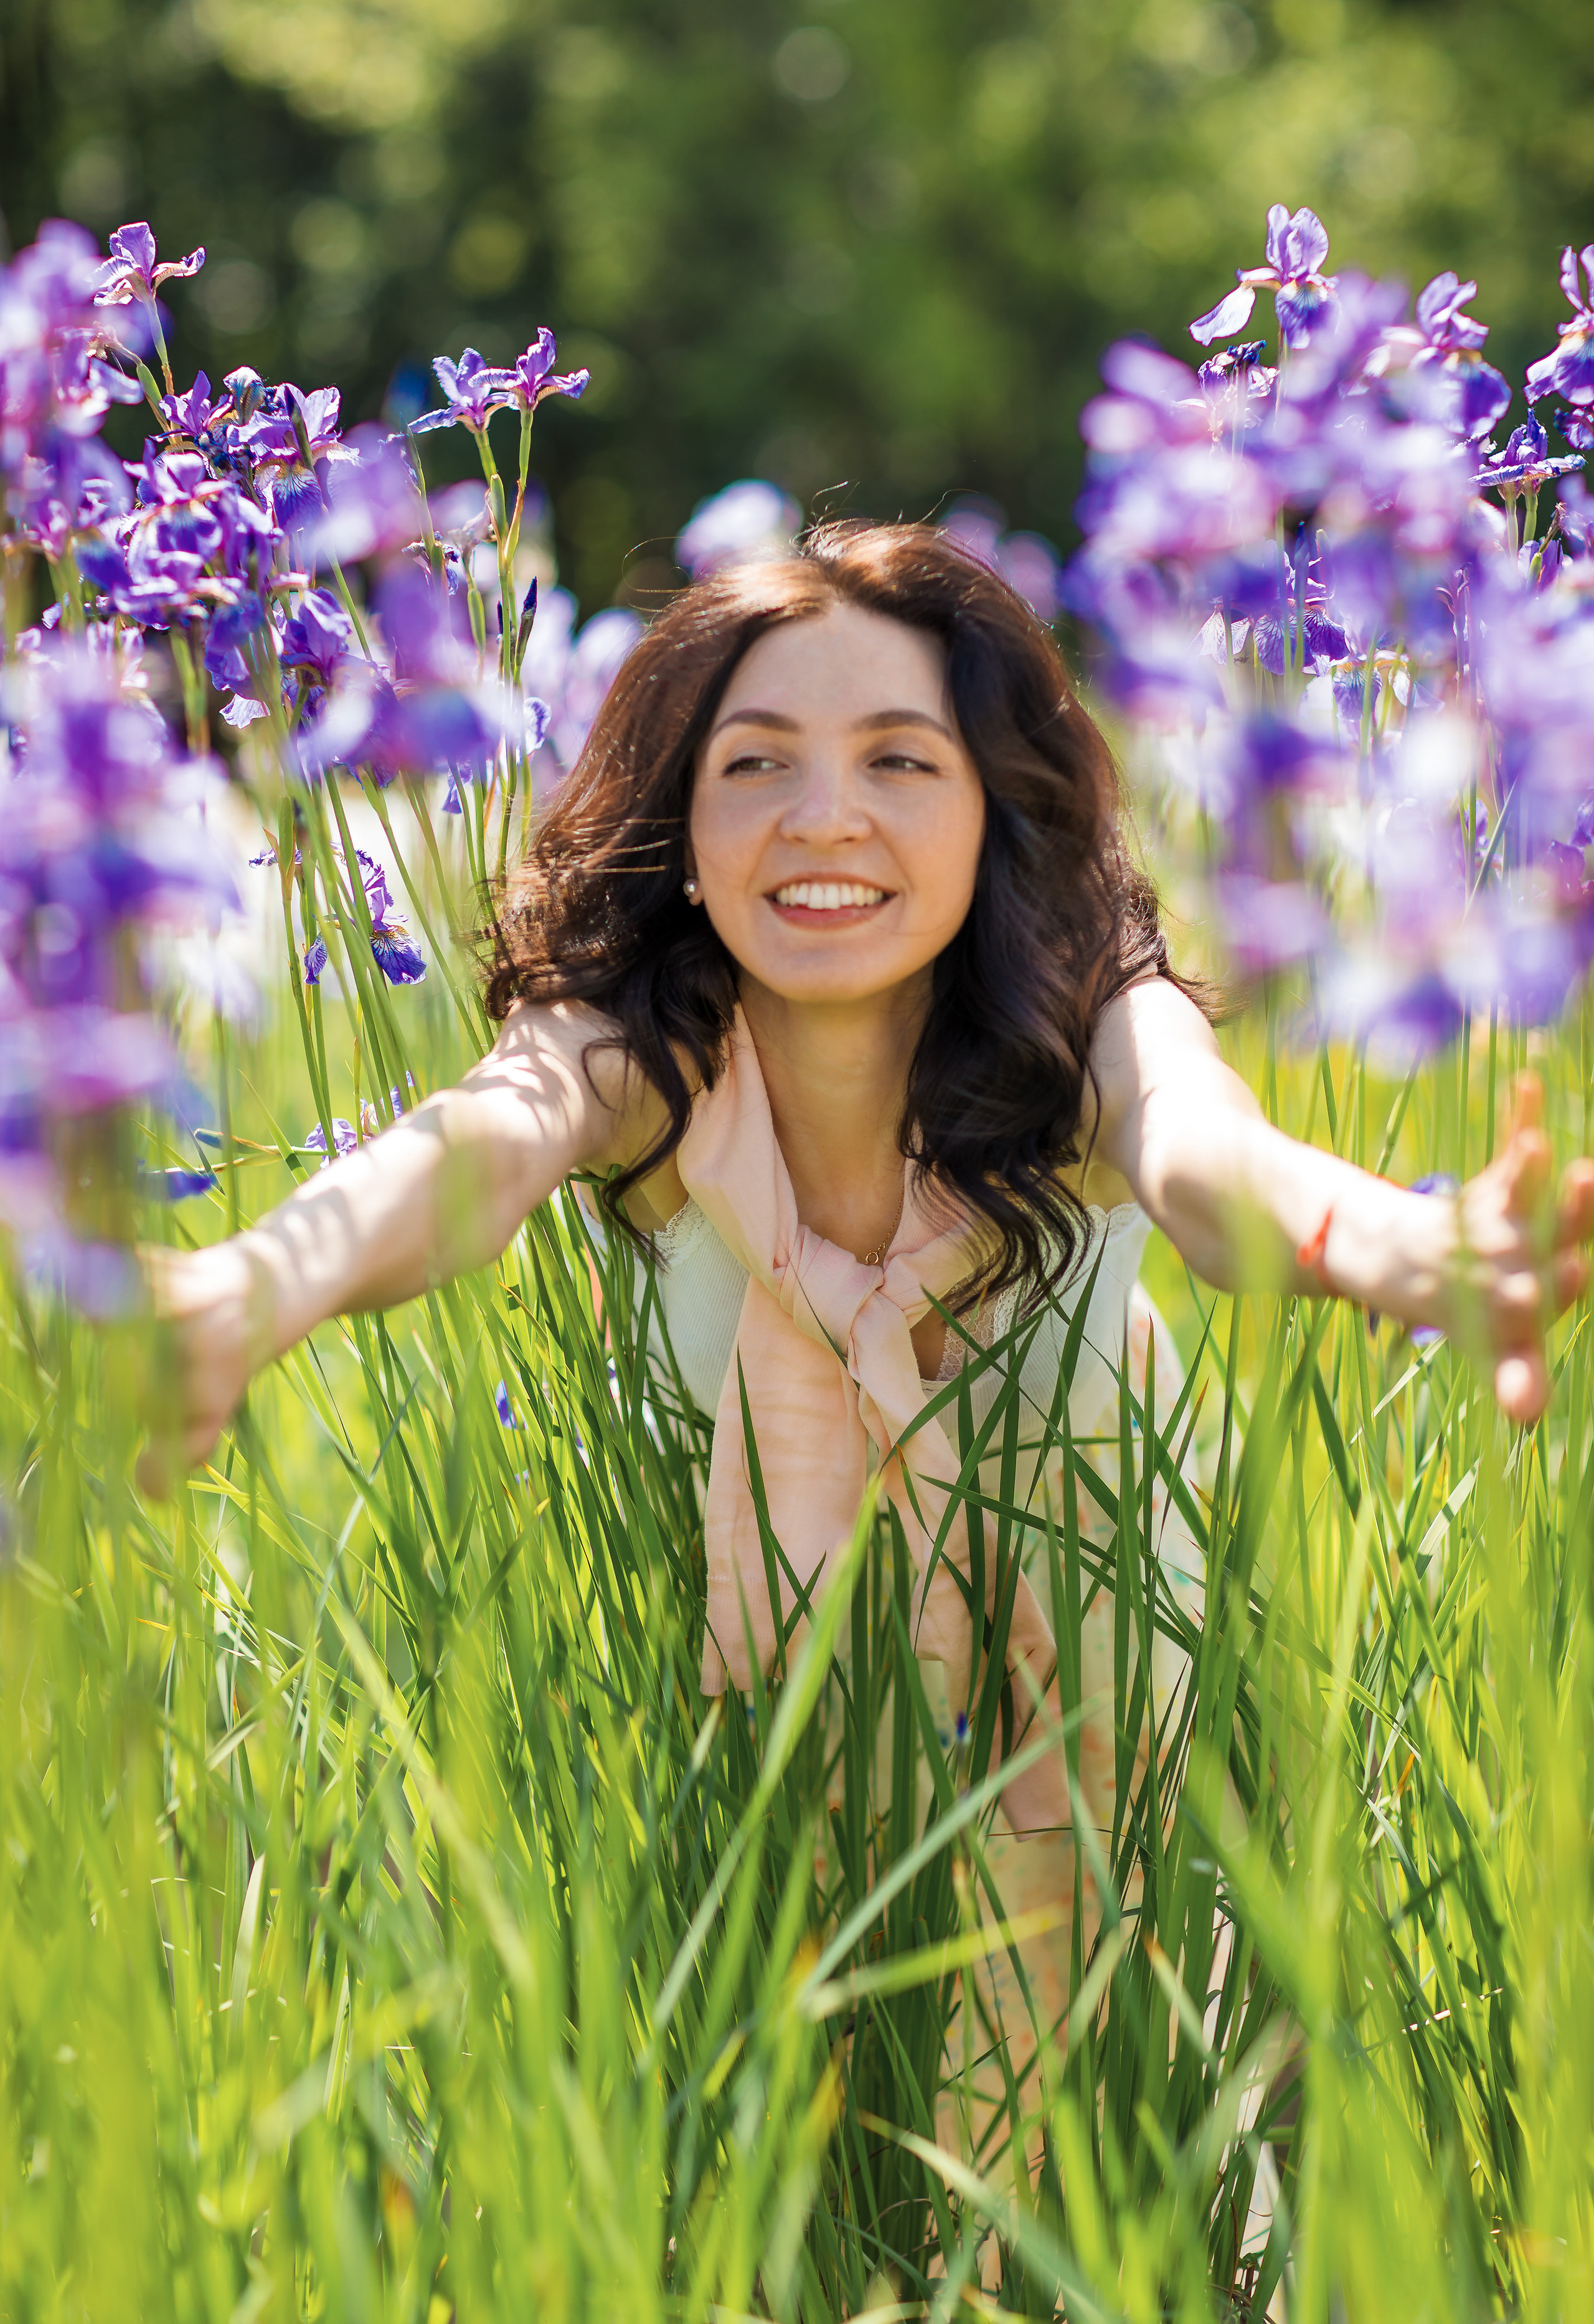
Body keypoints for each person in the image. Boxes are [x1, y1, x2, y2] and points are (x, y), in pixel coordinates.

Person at [145, 520, 1594, 2111]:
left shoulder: (1090, 1030)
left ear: (992, 814)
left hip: (1130, 1758)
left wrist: (1402, 1248)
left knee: (1143, 2174)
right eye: (754, 764)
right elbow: (471, 1156)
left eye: (901, 761)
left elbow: (1210, 1164)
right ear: (681, 824)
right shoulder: (636, 1053)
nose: (821, 817)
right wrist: (242, 1289)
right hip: (756, 1782)